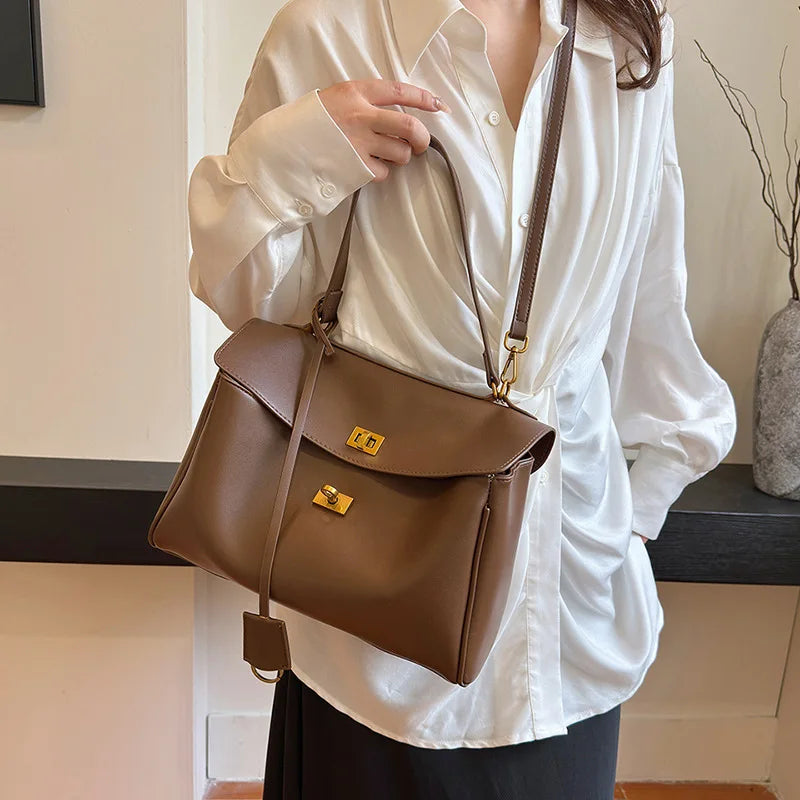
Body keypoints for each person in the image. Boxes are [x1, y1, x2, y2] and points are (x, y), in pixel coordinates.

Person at [186, 0, 737, 796]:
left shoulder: (630, 35)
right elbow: (250, 302)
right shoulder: (331, 29)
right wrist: (301, 152)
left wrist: (637, 505)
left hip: (567, 593)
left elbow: (647, 289)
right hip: (371, 603)